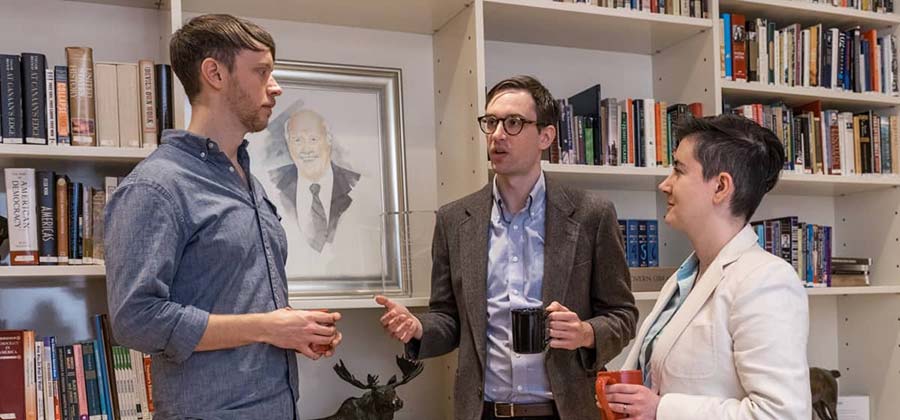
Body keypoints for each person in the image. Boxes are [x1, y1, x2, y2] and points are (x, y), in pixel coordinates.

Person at [104, 14, 342, 420]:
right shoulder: (156, 186)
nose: (276, 86)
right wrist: (267, 326)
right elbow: (135, 319)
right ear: (214, 73)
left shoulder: (249, 180)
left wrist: (294, 329)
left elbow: (237, 298)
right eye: (262, 71)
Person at [376, 75, 638, 420]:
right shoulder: (455, 220)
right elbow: (449, 318)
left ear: (545, 136)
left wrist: (585, 333)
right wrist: (418, 328)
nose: (498, 134)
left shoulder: (591, 215)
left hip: (565, 410)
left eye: (513, 123)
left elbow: (623, 315)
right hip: (484, 412)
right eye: (491, 122)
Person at [606, 114, 811, 419]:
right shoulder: (684, 278)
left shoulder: (766, 280)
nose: (665, 184)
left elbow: (781, 414)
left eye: (679, 170)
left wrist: (661, 409)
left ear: (720, 187)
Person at [269, 109, 361, 252]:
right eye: (297, 140)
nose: (306, 149)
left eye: (313, 139)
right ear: (288, 143)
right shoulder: (270, 185)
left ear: (328, 139)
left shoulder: (358, 185)